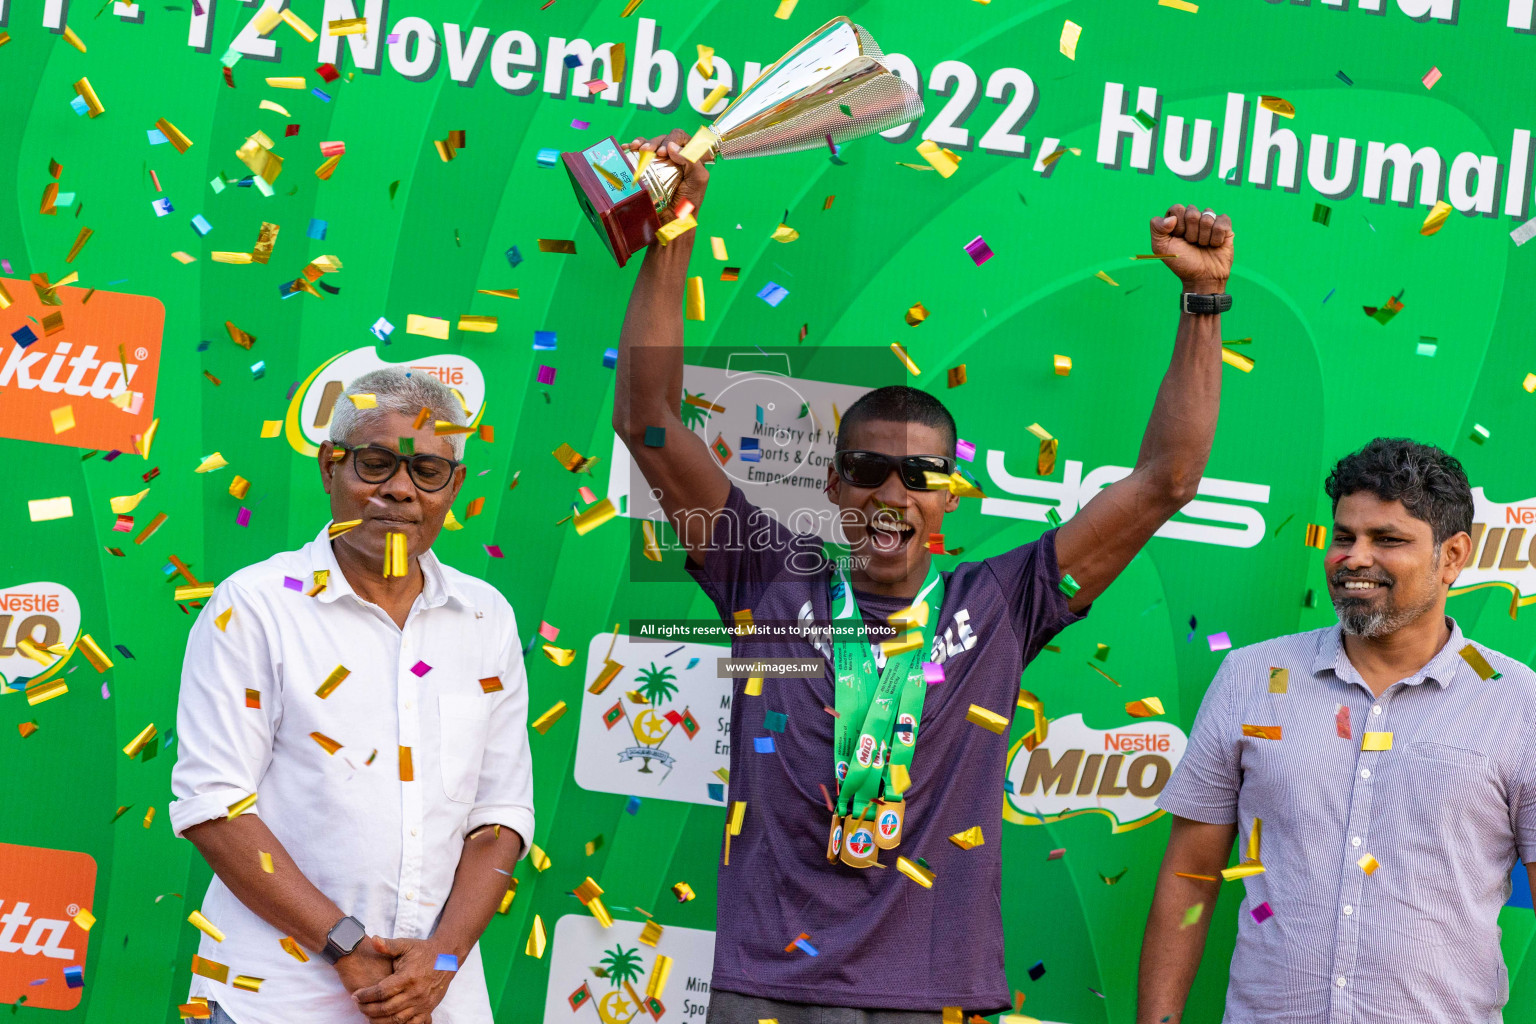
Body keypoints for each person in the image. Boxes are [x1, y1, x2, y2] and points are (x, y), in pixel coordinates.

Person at [612, 129, 1236, 1021]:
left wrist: (1204, 300)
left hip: (937, 996)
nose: (893, 493)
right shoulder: (765, 575)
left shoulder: (1005, 600)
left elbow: (1166, 481)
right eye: (867, 470)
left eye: (922, 476)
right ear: (831, 484)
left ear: (951, 495)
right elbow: (650, 419)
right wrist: (673, 228)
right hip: (769, 992)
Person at [169, 368, 534, 1024]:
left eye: (426, 470)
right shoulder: (254, 608)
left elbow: (500, 816)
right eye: (375, 463)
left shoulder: (487, 618)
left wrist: (441, 962)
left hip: (437, 1003)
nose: (398, 489)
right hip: (273, 1001)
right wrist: (348, 948)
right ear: (328, 467)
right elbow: (215, 808)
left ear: (451, 488)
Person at [1138, 437, 1536, 1024]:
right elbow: (1190, 875)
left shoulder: (1518, 700)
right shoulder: (1251, 676)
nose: (1354, 557)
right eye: (1344, 536)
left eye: (1388, 540)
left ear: (1452, 556)